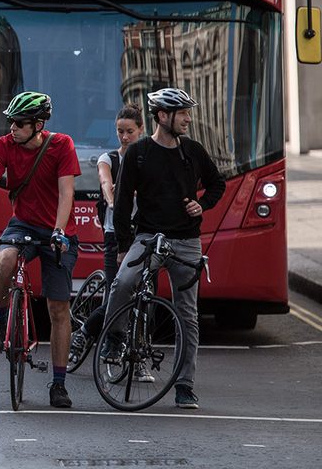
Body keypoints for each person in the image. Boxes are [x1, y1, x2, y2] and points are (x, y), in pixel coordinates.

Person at [101, 88, 225, 410]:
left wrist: (202, 204)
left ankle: (184, 385)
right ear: (162, 116)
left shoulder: (193, 151)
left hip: (186, 241)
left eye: (186, 112)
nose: (187, 118)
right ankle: (114, 338)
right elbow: (124, 202)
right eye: (182, 113)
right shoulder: (138, 153)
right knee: (123, 283)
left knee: (188, 315)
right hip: (148, 236)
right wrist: (123, 246)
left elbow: (217, 184)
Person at [0, 91, 79, 409]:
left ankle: (58, 383)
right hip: (23, 225)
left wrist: (59, 232)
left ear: (39, 124)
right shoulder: (4, 145)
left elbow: (66, 194)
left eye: (19, 123)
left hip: (58, 232)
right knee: (4, 258)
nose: (12, 128)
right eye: (10, 122)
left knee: (59, 310)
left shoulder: (62, 145)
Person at [69, 104, 144, 363]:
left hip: (143, 232)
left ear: (141, 131)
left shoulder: (147, 158)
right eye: (120, 131)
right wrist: (114, 202)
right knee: (117, 291)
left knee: (144, 296)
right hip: (115, 233)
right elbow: (105, 183)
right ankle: (91, 334)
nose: (124, 137)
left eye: (130, 132)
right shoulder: (109, 159)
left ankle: (138, 355)